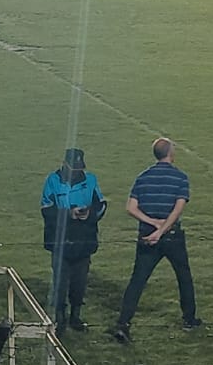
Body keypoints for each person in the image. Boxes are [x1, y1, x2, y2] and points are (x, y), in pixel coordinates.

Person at [112, 138, 201, 342]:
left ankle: (123, 323)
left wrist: (152, 223)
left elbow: (131, 208)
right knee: (183, 277)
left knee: (137, 280)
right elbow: (177, 211)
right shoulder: (180, 178)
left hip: (147, 235)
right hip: (171, 236)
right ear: (170, 153)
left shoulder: (143, 177)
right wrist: (161, 230)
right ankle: (189, 319)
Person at [41, 148, 107, 336]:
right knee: (60, 283)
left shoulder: (91, 180)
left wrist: (89, 213)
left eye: (79, 168)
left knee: (79, 282)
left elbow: (101, 206)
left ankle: (75, 316)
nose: (77, 172)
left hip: (83, 242)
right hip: (60, 243)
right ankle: (60, 317)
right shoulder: (53, 181)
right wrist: (69, 214)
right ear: (65, 164)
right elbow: (46, 209)